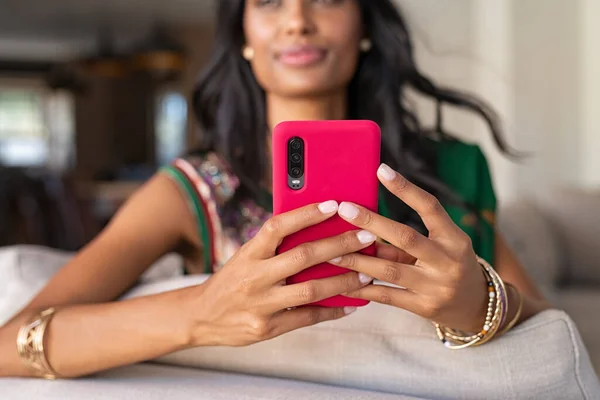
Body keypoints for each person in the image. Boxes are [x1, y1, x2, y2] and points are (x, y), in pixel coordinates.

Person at [0, 0, 550, 379]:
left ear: (364, 25)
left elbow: (547, 321)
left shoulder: (452, 168)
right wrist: (200, 311)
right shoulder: (191, 192)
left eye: (327, 0)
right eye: (269, 3)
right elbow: (11, 343)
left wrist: (483, 303)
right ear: (243, 35)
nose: (298, 22)